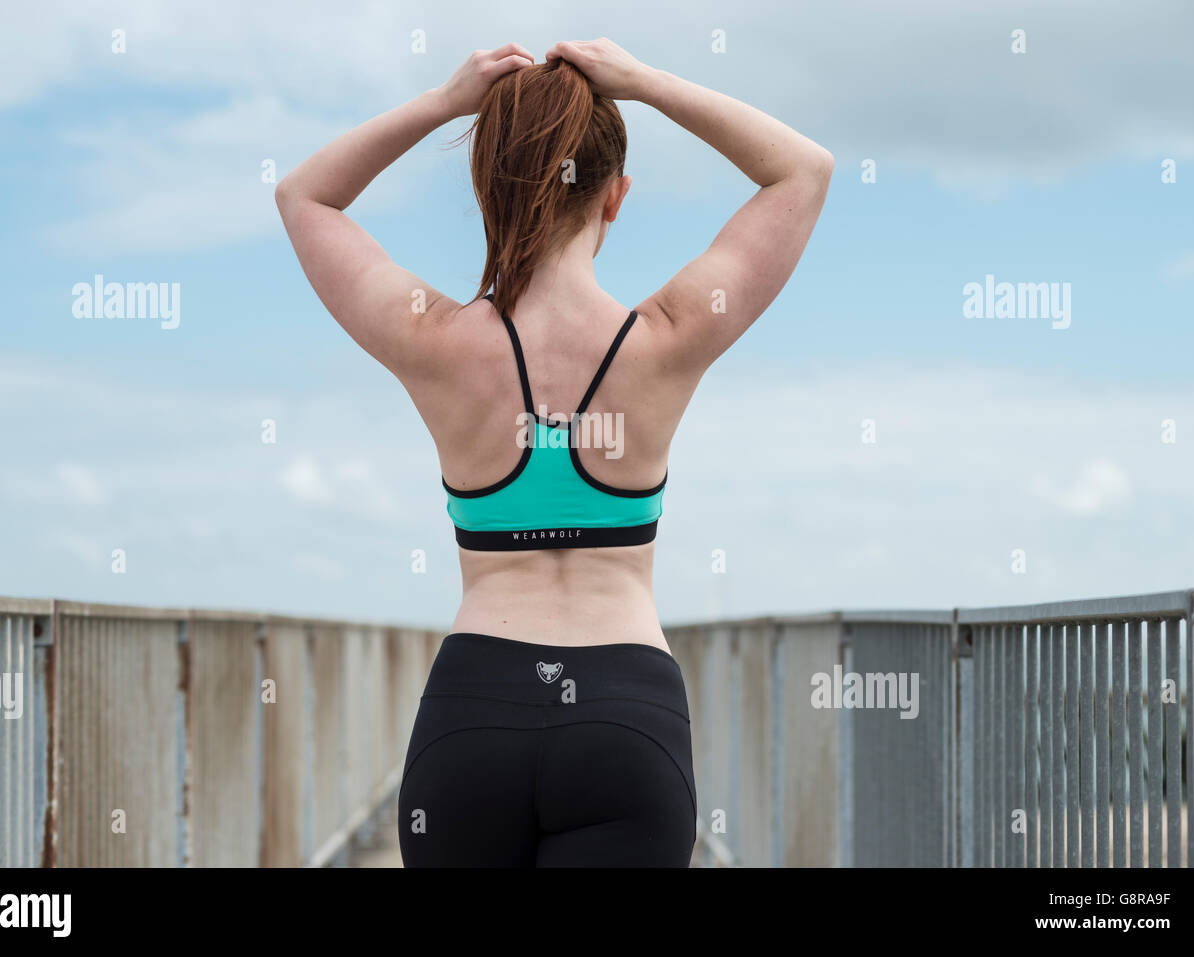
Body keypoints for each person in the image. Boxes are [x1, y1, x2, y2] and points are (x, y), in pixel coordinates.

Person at [276, 38, 832, 867]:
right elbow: (803, 169)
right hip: (624, 719)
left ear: (487, 190)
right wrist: (642, 83)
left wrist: (445, 101)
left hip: (473, 718)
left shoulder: (437, 343)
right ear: (616, 197)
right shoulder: (668, 338)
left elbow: (305, 197)